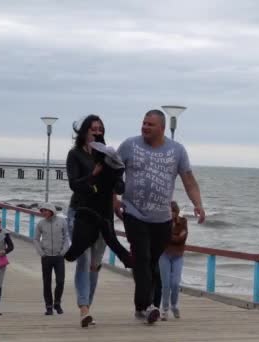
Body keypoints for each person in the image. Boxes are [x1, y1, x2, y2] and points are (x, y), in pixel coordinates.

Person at [117, 109, 206, 324]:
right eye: (144, 123)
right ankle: (147, 306)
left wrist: (198, 204)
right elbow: (114, 173)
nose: (145, 127)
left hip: (162, 219)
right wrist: (113, 199)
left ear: (162, 128)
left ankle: (145, 305)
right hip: (134, 212)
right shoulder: (129, 145)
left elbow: (189, 180)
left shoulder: (177, 150)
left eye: (150, 124)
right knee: (142, 258)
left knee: (151, 263)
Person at [65, 115, 109, 328]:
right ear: (84, 131)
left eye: (100, 129)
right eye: (93, 129)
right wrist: (93, 174)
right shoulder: (74, 155)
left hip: (101, 215)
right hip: (80, 213)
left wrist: (118, 202)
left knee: (95, 265)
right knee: (84, 260)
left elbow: (112, 184)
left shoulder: (105, 155)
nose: (96, 132)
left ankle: (87, 309)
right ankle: (83, 309)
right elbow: (74, 185)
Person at [64, 139, 132, 268]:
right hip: (100, 213)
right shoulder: (111, 172)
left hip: (92, 211)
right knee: (110, 239)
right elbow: (119, 188)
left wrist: (93, 181)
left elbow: (84, 186)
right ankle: (127, 259)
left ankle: (127, 259)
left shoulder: (105, 172)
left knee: (105, 240)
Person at [33, 203, 69, 316]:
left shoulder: (62, 221)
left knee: (60, 281)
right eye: (42, 211)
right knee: (46, 282)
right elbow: (35, 239)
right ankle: (48, 306)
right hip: (46, 257)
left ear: (51, 210)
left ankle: (57, 303)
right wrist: (42, 253)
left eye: (45, 211)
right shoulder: (41, 223)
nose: (43, 213)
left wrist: (63, 252)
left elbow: (66, 237)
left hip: (59, 257)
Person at [159, 201, 188, 321]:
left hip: (178, 255)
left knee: (175, 283)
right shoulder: (162, 222)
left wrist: (169, 237)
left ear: (177, 212)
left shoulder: (183, 222)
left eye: (174, 211)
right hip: (164, 255)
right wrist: (175, 237)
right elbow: (162, 237)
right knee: (165, 284)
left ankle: (174, 306)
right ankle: (165, 309)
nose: (171, 213)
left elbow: (183, 238)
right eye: (169, 211)